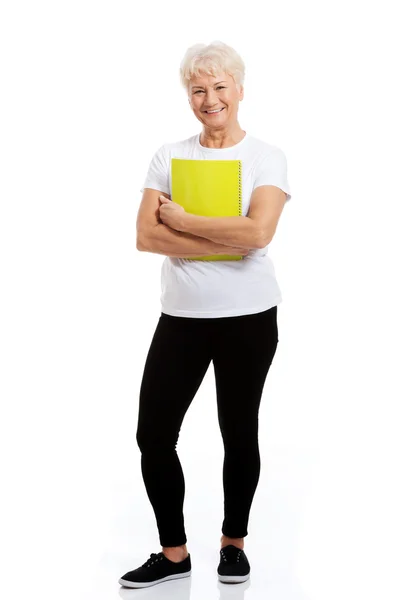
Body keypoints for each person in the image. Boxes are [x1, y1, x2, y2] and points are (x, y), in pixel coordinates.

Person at [119, 40, 292, 589]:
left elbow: (259, 232)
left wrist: (185, 221)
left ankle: (233, 545)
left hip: (249, 319)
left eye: (220, 86)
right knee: (153, 434)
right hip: (182, 321)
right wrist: (226, 236)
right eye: (198, 89)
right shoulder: (169, 156)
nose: (210, 98)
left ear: (239, 90)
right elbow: (147, 236)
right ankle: (174, 555)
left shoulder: (266, 156)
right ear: (188, 96)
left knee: (238, 433)